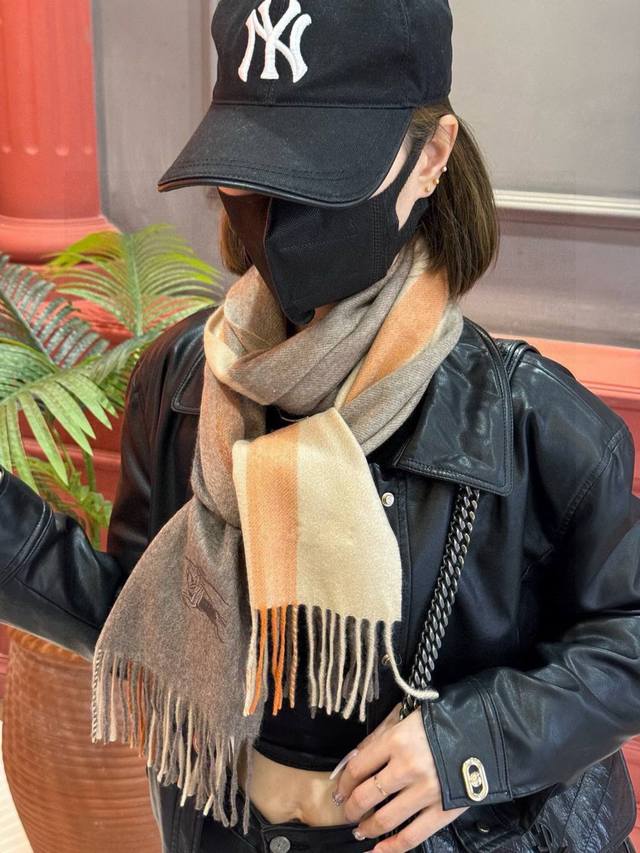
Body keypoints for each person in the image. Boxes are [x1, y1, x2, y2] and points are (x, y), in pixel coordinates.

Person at [1, 1, 639, 852]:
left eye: (323, 174)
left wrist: (472, 744)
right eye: (250, 173)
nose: (276, 215)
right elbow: (140, 610)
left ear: (431, 158)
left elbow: (627, 637)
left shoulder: (530, 422)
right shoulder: (185, 382)